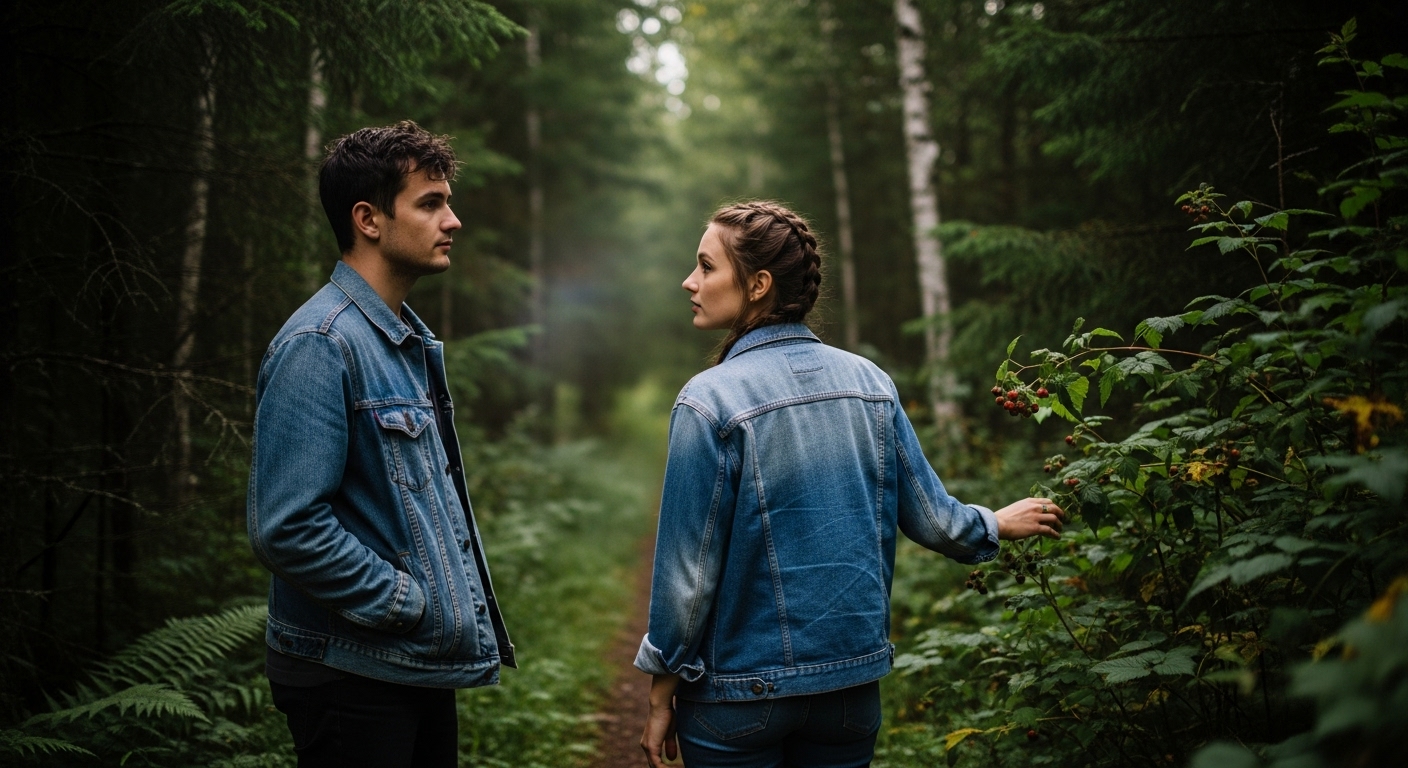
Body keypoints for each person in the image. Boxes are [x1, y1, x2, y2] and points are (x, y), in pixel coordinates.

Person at [635, 201, 1065, 768]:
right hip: (850, 693)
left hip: (739, 696)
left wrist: (663, 682)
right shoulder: (871, 383)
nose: (690, 281)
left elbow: (687, 576)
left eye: (707, 267)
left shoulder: (707, 400)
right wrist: (994, 522)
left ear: (759, 284)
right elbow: (934, 521)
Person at [247, 121, 514, 768]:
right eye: (431, 203)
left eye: (447, 201)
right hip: (351, 675)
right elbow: (287, 526)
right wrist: (406, 602)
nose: (452, 221)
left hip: (408, 666)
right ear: (367, 219)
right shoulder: (322, 344)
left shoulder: (398, 340)